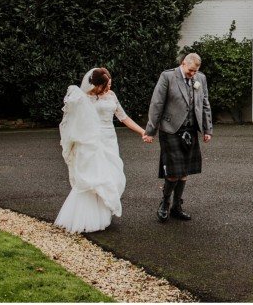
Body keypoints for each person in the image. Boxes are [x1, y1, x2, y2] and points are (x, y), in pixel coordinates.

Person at [55, 67, 148, 233]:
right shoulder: (83, 98)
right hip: (92, 142)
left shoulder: (112, 96)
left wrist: (142, 131)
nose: (108, 88)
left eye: (110, 84)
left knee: (111, 175)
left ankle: (102, 215)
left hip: (110, 140)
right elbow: (75, 121)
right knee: (94, 178)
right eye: (105, 85)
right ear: (96, 85)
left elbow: (123, 117)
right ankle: (87, 218)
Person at [143, 53, 213, 222]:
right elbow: (156, 103)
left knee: (184, 172)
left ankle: (177, 206)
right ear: (183, 64)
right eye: (190, 71)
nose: (192, 74)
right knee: (174, 172)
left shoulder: (200, 79)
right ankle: (165, 203)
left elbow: (205, 103)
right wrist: (150, 131)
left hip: (191, 129)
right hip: (171, 129)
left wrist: (207, 129)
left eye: (195, 71)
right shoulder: (168, 76)